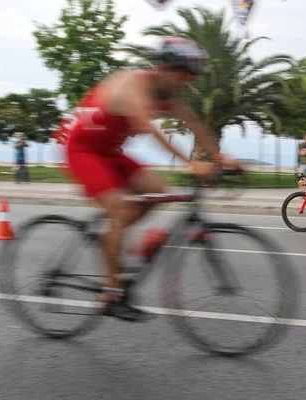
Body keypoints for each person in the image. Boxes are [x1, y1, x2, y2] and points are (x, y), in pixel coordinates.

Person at [55, 36, 237, 322]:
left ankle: (112, 235)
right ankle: (111, 294)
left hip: (109, 151)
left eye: (192, 77)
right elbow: (145, 127)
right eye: (184, 74)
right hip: (82, 149)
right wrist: (191, 163)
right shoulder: (133, 85)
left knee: (157, 190)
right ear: (164, 68)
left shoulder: (169, 96)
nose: (187, 82)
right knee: (122, 210)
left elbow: (196, 126)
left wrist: (222, 158)